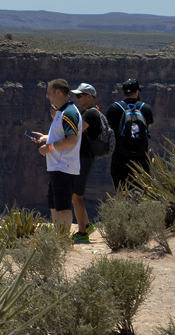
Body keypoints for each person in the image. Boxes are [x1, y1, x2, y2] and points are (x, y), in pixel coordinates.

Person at [29, 79, 82, 231]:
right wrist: (46, 138)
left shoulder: (69, 113)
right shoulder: (62, 112)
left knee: (63, 207)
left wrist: (49, 147)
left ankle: (62, 240)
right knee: (54, 205)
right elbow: (62, 135)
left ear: (58, 92)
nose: (47, 96)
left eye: (49, 92)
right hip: (57, 167)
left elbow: (72, 140)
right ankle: (58, 237)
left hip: (64, 167)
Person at [106, 78, 154, 191]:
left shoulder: (114, 108)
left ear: (124, 92)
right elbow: (148, 127)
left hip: (120, 158)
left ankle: (122, 208)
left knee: (121, 191)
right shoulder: (145, 108)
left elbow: (109, 129)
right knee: (141, 192)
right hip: (141, 158)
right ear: (137, 92)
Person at [70, 83, 103, 243]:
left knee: (76, 196)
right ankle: (87, 226)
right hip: (83, 158)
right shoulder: (88, 112)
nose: (77, 99)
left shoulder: (90, 114)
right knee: (76, 195)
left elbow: (76, 130)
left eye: (79, 96)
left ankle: (82, 233)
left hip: (84, 158)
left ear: (89, 97)